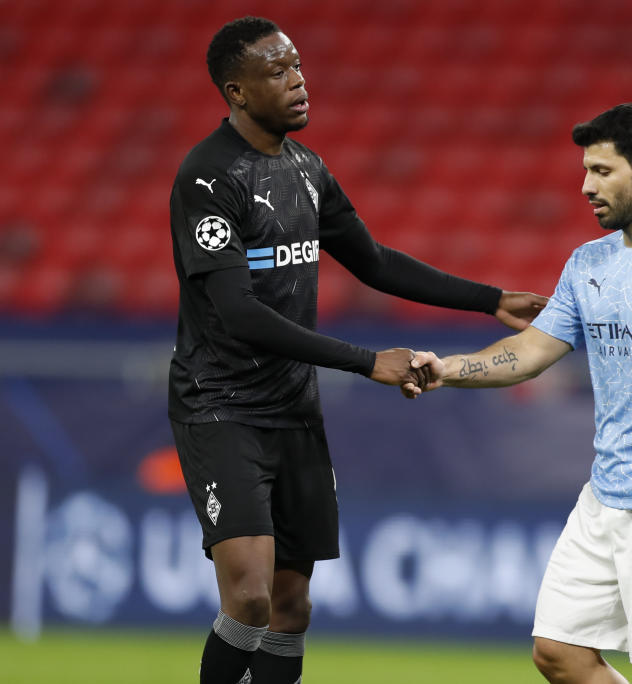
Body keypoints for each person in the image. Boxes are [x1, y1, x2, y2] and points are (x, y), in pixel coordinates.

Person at [168, 16, 547, 684]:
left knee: (290, 605)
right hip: (221, 407)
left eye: (298, 66)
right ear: (236, 90)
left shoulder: (307, 169)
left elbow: (372, 261)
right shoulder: (208, 179)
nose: (297, 81)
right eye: (277, 71)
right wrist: (367, 360)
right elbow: (238, 314)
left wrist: (489, 299)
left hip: (293, 411)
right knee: (251, 597)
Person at [406, 103, 632, 684]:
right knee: (557, 652)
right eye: (586, 171)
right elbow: (530, 352)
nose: (585, 185)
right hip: (606, 493)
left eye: (601, 171)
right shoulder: (588, 263)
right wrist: (447, 369)